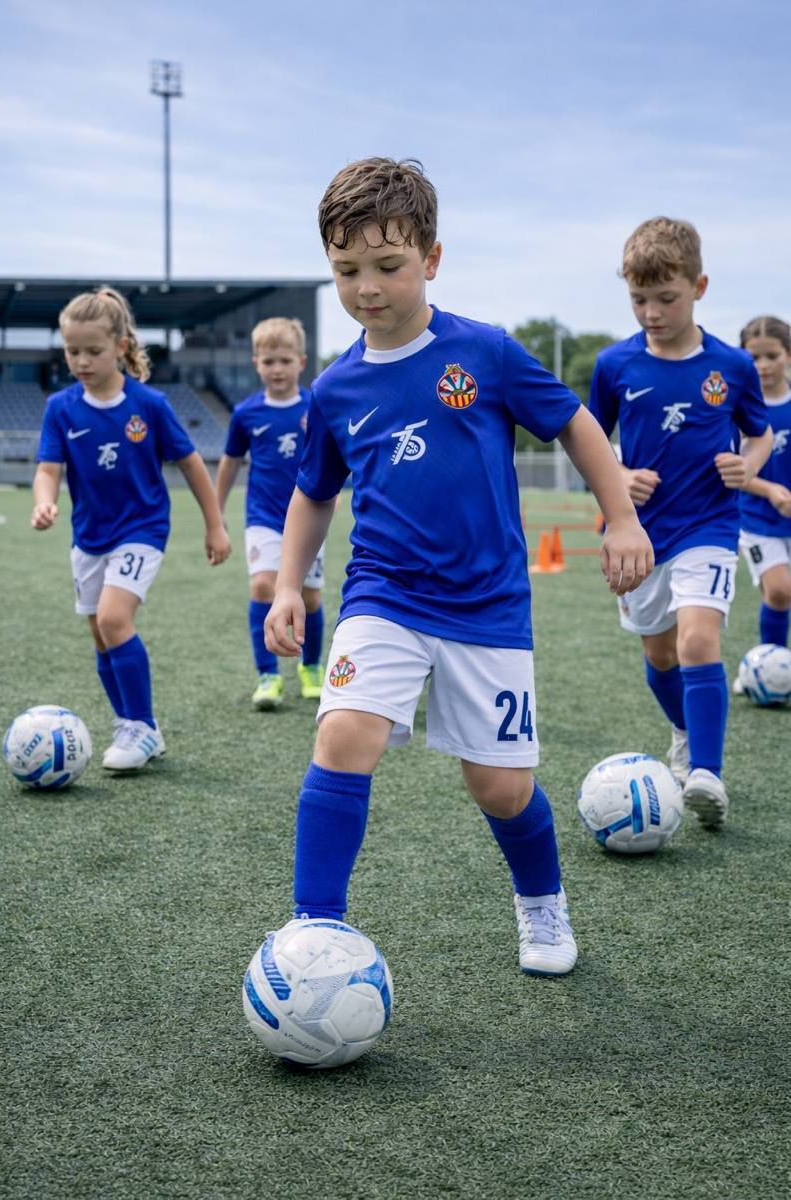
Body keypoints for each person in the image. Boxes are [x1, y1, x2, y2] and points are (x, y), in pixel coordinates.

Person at [264, 157, 653, 977]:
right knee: (342, 734)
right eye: (346, 270)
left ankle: (541, 903)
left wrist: (620, 516)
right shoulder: (333, 389)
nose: (367, 287)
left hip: (488, 606)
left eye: (388, 265)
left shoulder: (486, 351)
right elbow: (313, 494)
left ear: (432, 258)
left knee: (500, 789)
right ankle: (314, 932)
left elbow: (577, 424)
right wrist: (290, 584)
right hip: (384, 594)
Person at [588, 218, 773, 828]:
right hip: (641, 534)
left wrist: (748, 466)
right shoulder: (614, 364)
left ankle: (708, 774)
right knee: (661, 654)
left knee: (697, 640)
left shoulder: (733, 365)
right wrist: (619, 476)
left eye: (665, 299)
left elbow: (759, 433)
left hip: (709, 526)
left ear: (699, 287)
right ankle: (686, 734)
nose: (651, 313)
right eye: (638, 299)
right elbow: (591, 440)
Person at [32, 286, 231, 770]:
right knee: (100, 634)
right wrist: (44, 502)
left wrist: (215, 525)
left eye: (92, 350)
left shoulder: (150, 404)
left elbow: (191, 464)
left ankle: (140, 727)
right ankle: (134, 725)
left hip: (142, 528)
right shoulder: (61, 407)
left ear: (120, 346)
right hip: (89, 537)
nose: (81, 361)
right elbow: (48, 469)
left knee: (113, 619)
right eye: (72, 351)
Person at [215, 317, 326, 710]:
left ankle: (310, 667)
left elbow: (333, 456)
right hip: (263, 515)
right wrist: (216, 511)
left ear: (301, 362)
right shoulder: (246, 413)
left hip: (309, 518)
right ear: (256, 364)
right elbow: (230, 462)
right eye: (268, 361)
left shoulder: (316, 406)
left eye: (285, 360)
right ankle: (268, 676)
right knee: (264, 586)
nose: (277, 369)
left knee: (309, 597)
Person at [736, 316, 791, 663]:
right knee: (780, 590)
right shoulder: (737, 408)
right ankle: (772, 668)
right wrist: (770, 490)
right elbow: (732, 471)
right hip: (757, 519)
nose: (763, 365)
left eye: (772, 356)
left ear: (789, 354)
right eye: (754, 357)